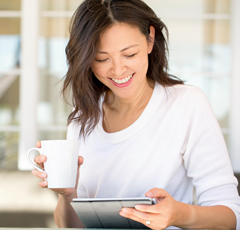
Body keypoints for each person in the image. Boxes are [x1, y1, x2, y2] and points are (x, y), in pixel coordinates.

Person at [31, 0, 240, 229]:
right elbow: (72, 227)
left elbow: (230, 217)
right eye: (102, 59)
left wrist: (178, 214)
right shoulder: (83, 116)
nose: (118, 70)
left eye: (129, 54)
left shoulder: (185, 104)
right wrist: (67, 195)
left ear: (150, 39)